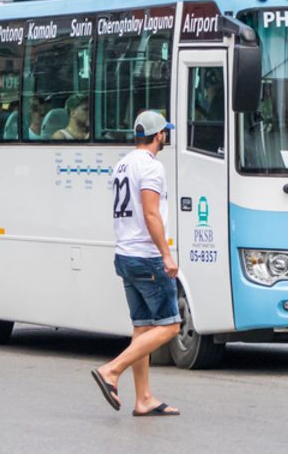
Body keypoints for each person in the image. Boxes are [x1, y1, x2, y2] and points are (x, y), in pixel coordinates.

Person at [92, 110, 181, 417]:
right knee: (170, 325)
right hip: (146, 256)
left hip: (125, 254)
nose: (165, 136)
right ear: (159, 136)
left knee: (142, 327)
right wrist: (166, 254)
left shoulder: (123, 163)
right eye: (164, 132)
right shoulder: (151, 167)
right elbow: (151, 213)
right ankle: (111, 370)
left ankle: (143, 398)